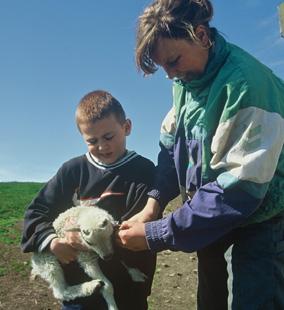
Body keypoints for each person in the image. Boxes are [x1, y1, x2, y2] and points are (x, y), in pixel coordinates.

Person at [116, 0, 284, 309]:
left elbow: (241, 191)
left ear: (202, 36)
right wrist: (153, 205)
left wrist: (157, 233)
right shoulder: (186, 82)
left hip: (259, 223)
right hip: (209, 219)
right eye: (164, 67)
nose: (170, 75)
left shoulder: (246, 85)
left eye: (173, 61)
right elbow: (172, 150)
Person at [21, 90, 156, 310]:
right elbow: (36, 213)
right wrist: (54, 242)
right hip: (80, 292)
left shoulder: (143, 171)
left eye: (109, 137)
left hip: (127, 291)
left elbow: (134, 232)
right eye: (92, 141)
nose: (102, 147)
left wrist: (85, 240)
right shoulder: (72, 171)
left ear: (127, 127)